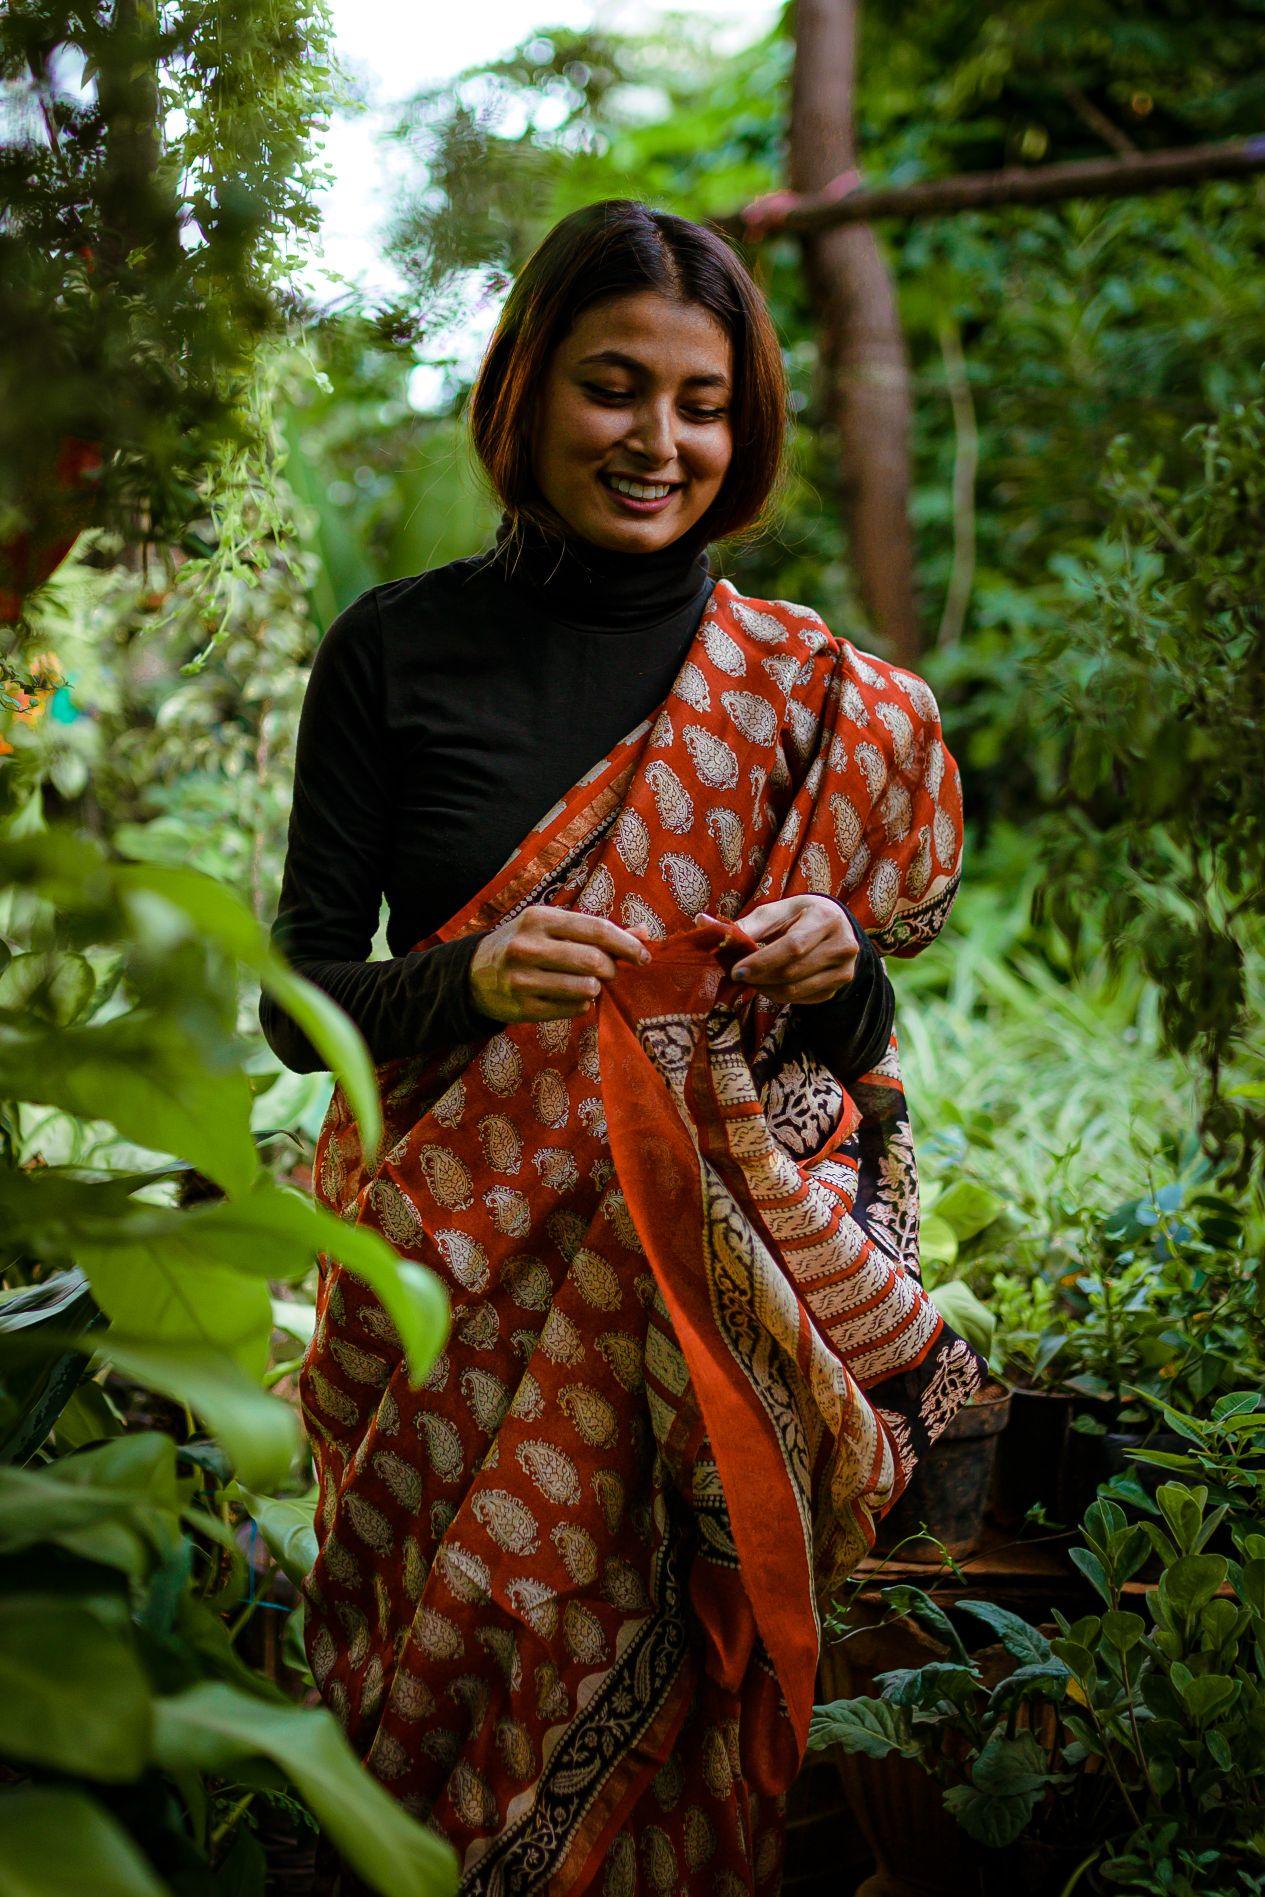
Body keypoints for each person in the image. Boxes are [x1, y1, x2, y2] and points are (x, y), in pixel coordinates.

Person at [260, 199, 986, 1896]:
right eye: (612, 387)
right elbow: (296, 1008)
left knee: (696, 1737)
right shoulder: (393, 650)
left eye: (701, 401)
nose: (658, 440)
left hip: (696, 1312)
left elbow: (845, 1048)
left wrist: (834, 963)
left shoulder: (806, 692)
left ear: (743, 428)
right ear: (521, 388)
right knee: (438, 1692)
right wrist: (468, 981)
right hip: (450, 1296)